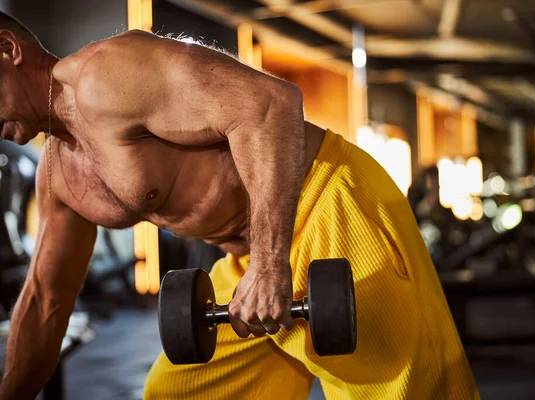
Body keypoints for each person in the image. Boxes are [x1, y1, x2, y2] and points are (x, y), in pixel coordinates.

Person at [0, 12, 479, 400]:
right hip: (248, 258)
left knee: (395, 386)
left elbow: (270, 105)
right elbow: (46, 301)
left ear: (8, 50)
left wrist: (271, 269)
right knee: (181, 391)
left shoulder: (106, 77)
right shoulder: (59, 173)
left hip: (324, 200)